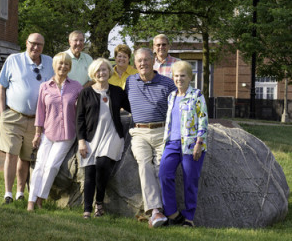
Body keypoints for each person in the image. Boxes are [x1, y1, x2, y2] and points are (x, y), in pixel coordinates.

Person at [0, 33, 54, 204]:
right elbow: (2, 88)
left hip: (37, 120)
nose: (36, 47)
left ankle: (21, 192)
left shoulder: (50, 62)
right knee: (11, 154)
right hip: (13, 116)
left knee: (26, 158)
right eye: (33, 44)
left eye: (40, 45)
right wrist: (3, 114)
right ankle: (8, 193)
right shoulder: (13, 60)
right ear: (26, 43)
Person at [125, 48, 176, 228]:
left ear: (153, 61)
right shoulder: (130, 81)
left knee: (162, 166)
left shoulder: (168, 83)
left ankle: (167, 208)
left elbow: (178, 106)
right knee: (144, 164)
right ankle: (155, 211)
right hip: (139, 133)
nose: (143, 64)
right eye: (139, 61)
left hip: (162, 131)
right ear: (134, 63)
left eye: (146, 60)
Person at [27, 52, 82, 211]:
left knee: (51, 166)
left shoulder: (76, 87)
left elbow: (82, 109)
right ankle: (31, 200)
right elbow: (40, 112)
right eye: (60, 63)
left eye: (66, 64)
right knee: (39, 166)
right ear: (54, 65)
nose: (63, 67)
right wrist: (37, 134)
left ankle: (40, 198)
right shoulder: (45, 86)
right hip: (48, 133)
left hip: (67, 134)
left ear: (70, 67)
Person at [76, 58, 130, 219]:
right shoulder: (85, 92)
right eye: (98, 70)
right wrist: (81, 141)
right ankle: (87, 209)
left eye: (104, 69)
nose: (101, 73)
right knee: (90, 172)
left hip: (112, 135)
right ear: (93, 73)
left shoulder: (117, 91)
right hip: (91, 137)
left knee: (102, 164)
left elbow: (132, 107)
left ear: (109, 71)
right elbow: (79, 118)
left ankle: (99, 203)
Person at [159, 60, 208, 227]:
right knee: (164, 174)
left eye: (183, 76)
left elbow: (203, 120)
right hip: (172, 143)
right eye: (176, 76)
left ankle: (189, 218)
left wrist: (199, 144)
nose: (179, 79)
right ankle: (172, 212)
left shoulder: (197, 95)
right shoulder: (171, 96)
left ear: (190, 77)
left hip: (191, 144)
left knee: (190, 181)